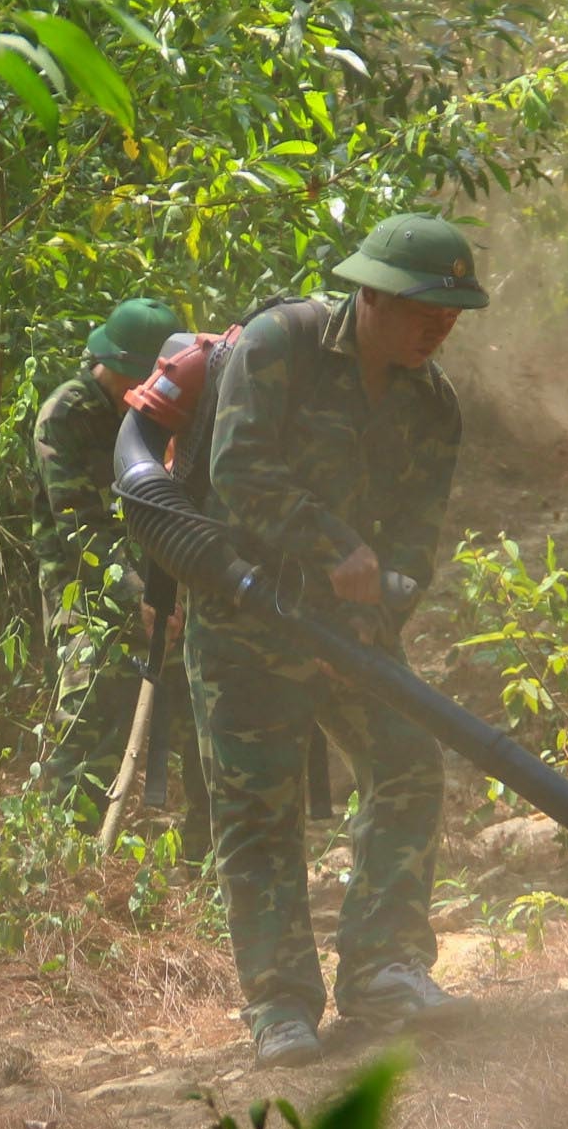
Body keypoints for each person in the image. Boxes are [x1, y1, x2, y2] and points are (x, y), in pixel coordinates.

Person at [193, 214, 484, 1067]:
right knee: (259, 802)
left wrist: (367, 616)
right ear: (371, 295)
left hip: (349, 632)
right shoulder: (280, 345)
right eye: (426, 309)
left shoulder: (434, 407)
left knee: (406, 761)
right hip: (244, 617)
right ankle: (280, 1006)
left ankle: (384, 968)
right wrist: (333, 550)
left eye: (453, 314)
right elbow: (236, 471)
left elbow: (412, 547)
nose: (441, 327)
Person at [30, 297, 205, 843]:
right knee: (90, 709)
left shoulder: (173, 407)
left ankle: (206, 854)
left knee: (202, 714)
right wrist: (138, 598)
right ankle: (67, 855)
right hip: (84, 584)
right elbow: (79, 527)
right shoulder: (68, 414)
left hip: (166, 580)